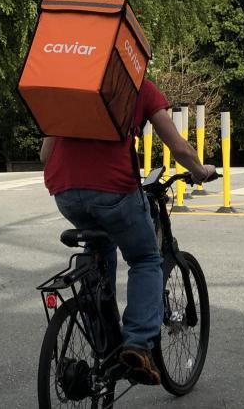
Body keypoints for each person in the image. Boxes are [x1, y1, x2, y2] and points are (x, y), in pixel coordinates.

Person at [41, 78, 215, 386]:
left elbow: (45, 155)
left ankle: (105, 342)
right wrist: (200, 171)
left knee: (99, 254)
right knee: (146, 258)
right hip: (114, 190)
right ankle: (136, 344)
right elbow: (177, 146)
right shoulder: (139, 88)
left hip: (65, 192)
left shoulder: (73, 84)